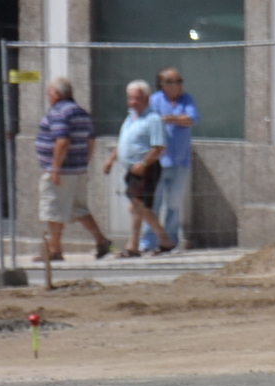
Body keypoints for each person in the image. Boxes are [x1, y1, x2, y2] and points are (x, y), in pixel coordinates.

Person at [35, 77, 110, 263]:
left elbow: (62, 141)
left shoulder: (59, 113)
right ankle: (101, 241)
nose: (48, 97)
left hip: (61, 171)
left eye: (49, 93)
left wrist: (55, 168)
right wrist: (85, 163)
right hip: (78, 170)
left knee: (53, 208)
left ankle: (54, 250)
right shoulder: (82, 113)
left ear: (57, 94)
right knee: (79, 208)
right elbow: (91, 141)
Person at [106, 79, 167, 258]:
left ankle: (142, 243)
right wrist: (111, 160)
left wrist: (143, 163)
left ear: (147, 99)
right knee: (137, 207)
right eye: (130, 98)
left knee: (136, 205)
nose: (133, 102)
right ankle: (157, 241)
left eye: (137, 99)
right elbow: (123, 142)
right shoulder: (130, 118)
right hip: (131, 169)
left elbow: (159, 148)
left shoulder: (153, 119)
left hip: (146, 169)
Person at [148, 67, 197, 252]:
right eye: (175, 81)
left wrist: (169, 118)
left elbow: (192, 119)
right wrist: (178, 119)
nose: (179, 85)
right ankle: (149, 242)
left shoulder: (188, 99)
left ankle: (169, 241)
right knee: (153, 204)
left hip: (181, 161)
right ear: (163, 85)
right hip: (158, 162)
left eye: (180, 80)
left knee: (174, 205)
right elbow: (153, 122)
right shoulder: (154, 100)